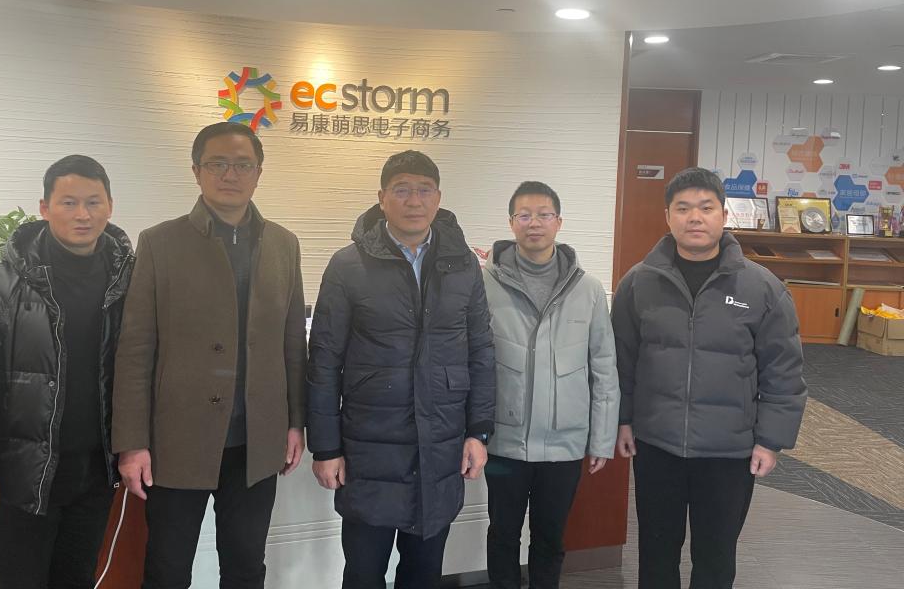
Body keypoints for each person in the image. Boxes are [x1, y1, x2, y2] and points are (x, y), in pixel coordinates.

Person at [112, 122, 306, 589]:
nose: (230, 174)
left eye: (242, 165)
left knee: (246, 566)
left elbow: (292, 344)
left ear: (258, 173)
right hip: (176, 440)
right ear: (197, 171)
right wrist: (132, 443)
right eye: (217, 163)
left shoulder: (283, 244)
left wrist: (295, 422)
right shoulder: (160, 243)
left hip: (255, 441)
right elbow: (135, 349)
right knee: (167, 567)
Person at [307, 150, 495, 589]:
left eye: (424, 190)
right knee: (363, 573)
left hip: (440, 446)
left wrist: (478, 431)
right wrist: (326, 448)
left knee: (424, 574)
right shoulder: (348, 265)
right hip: (369, 448)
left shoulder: (463, 264)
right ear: (382, 198)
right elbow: (324, 360)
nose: (414, 200)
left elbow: (481, 351)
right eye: (402, 190)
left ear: (438, 198)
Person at [612, 166, 807, 589]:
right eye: (683, 208)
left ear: (724, 215)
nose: (694, 218)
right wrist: (623, 420)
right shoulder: (638, 284)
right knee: (656, 554)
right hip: (657, 444)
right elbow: (621, 361)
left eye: (706, 207)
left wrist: (770, 440)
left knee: (716, 559)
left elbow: (783, 372)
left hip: (728, 451)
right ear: (668, 216)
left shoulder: (762, 288)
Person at [0, 154, 133, 589]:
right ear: (45, 208)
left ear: (110, 206)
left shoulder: (128, 280)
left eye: (93, 202)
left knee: (77, 578)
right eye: (68, 202)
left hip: (95, 471)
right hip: (23, 474)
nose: (82, 214)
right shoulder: (1, 283)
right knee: (23, 580)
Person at [482, 181, 619, 589]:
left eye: (544, 215)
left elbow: (604, 368)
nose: (534, 223)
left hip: (564, 443)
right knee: (502, 535)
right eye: (524, 215)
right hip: (504, 441)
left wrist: (602, 439)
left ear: (559, 222)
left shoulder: (588, 289)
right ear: (511, 223)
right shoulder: (484, 284)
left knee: (550, 538)